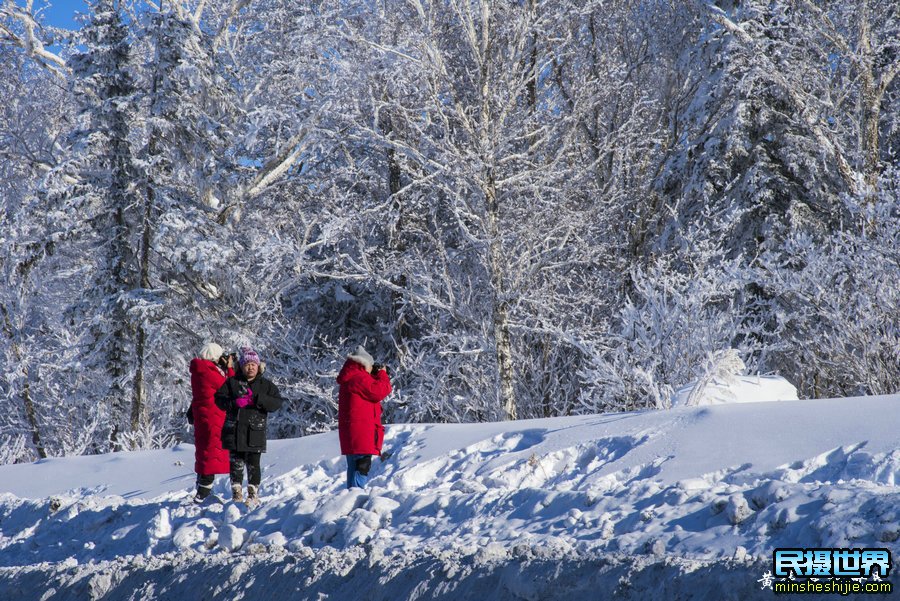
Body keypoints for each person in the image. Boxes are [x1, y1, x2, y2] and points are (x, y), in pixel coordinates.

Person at [215, 346, 284, 507]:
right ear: (242, 366)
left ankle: (253, 493)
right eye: (247, 364)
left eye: (253, 364)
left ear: (258, 366)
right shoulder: (232, 383)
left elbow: (277, 403)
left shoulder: (266, 385)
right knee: (236, 463)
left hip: (255, 431)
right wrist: (233, 403)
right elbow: (218, 400)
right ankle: (236, 492)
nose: (250, 367)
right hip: (234, 430)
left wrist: (259, 399)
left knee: (254, 464)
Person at [337, 345, 392, 489]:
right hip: (360, 432)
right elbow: (378, 391)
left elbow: (369, 389)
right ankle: (355, 497)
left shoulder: (353, 377)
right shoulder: (358, 377)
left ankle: (351, 496)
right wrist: (382, 375)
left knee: (357, 466)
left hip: (357, 431)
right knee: (361, 466)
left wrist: (375, 375)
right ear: (364, 364)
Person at [189, 342, 235, 503]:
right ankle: (202, 494)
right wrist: (229, 368)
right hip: (213, 418)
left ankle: (201, 488)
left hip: (205, 417)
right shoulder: (208, 371)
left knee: (205, 451)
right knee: (211, 453)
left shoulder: (200, 370)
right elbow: (230, 386)